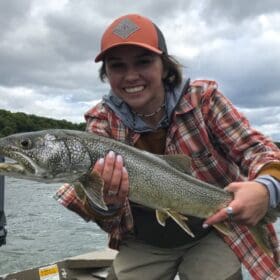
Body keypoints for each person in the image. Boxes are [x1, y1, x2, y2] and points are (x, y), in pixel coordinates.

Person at [55, 14, 280, 280]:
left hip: (212, 230)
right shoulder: (101, 124)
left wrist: (267, 188)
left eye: (144, 61)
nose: (131, 75)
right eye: (117, 66)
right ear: (107, 75)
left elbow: (256, 149)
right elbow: (103, 214)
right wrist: (108, 202)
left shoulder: (203, 100)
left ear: (164, 66)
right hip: (145, 241)